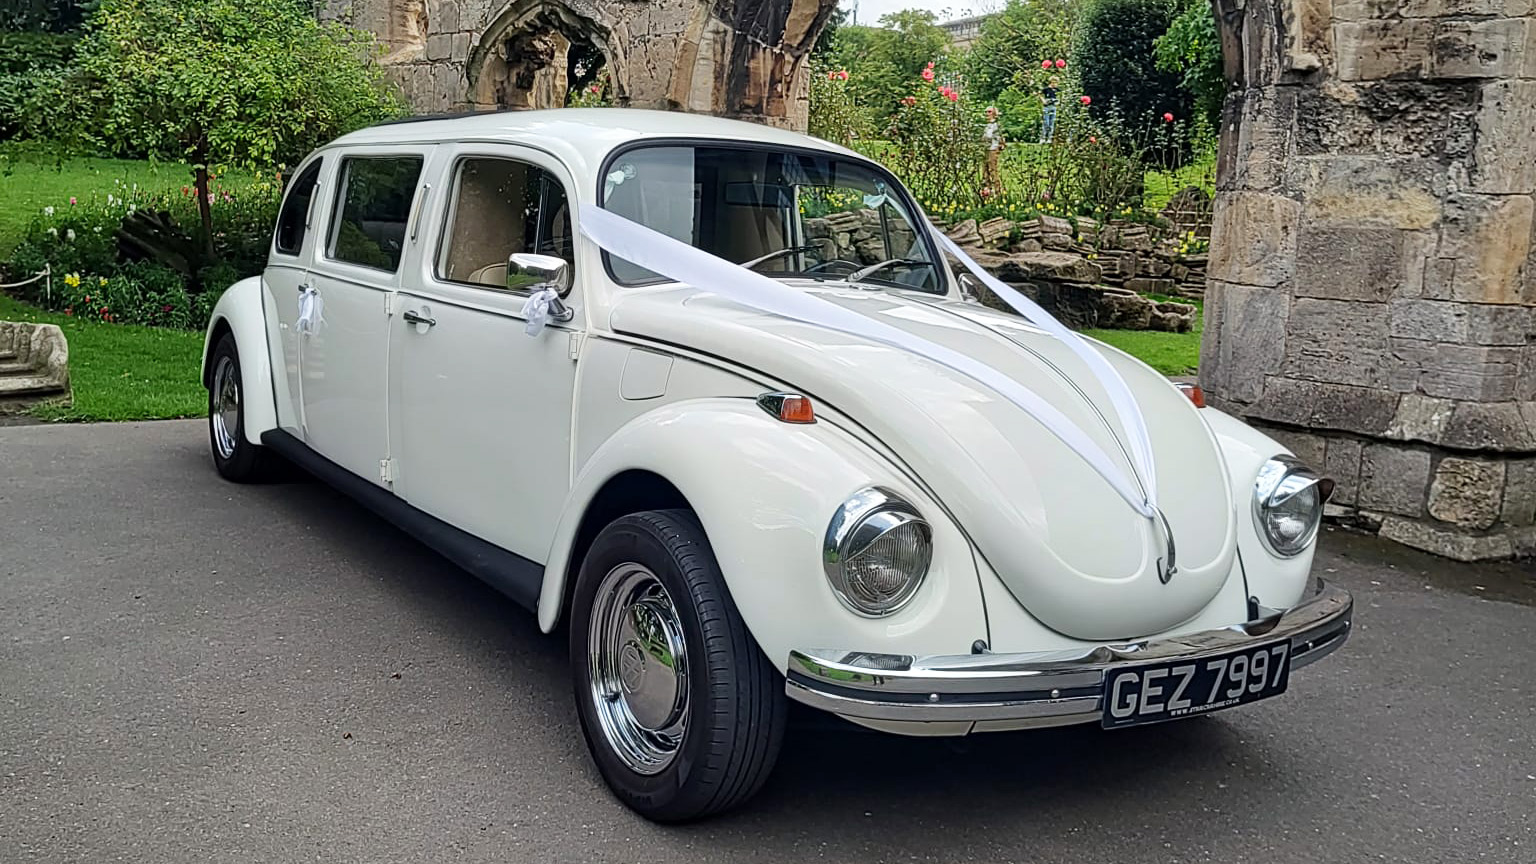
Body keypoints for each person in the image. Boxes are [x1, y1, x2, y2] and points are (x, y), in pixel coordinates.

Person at [983, 106, 1003, 190]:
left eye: (989, 112)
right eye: (986, 112)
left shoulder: (996, 125)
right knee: (985, 171)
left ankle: (997, 190)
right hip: (986, 149)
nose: (987, 114)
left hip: (993, 149)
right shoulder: (987, 125)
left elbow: (999, 138)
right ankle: (987, 190)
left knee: (992, 170)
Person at [1039, 76, 1059, 143]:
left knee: (1051, 123)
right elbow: (1040, 95)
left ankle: (1049, 138)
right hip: (1047, 106)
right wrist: (1043, 101)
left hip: (1053, 106)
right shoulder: (1046, 89)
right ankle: (1043, 138)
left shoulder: (1057, 90)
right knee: (1046, 122)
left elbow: (1060, 97)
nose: (1055, 84)